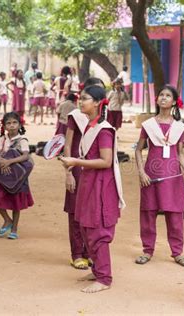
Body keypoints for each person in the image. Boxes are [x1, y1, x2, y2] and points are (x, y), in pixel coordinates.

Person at [60, 85, 125, 293]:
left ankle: (104, 278)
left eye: (86, 99)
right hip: (89, 183)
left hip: (100, 185)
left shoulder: (104, 130)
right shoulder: (89, 125)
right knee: (86, 227)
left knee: (97, 230)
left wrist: (75, 161)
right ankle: (97, 270)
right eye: (80, 98)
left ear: (98, 103)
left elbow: (106, 161)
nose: (81, 102)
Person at [135, 85, 184, 266]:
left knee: (174, 214)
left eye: (168, 96)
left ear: (174, 102)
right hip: (151, 175)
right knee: (148, 212)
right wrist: (141, 172)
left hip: (173, 177)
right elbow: (138, 150)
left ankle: (177, 252)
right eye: (161, 95)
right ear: (157, 99)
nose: (163, 98)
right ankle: (147, 250)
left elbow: (180, 153)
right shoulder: (148, 125)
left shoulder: (179, 127)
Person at [59, 79, 103, 271]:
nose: (83, 100)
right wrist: (68, 173)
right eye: (83, 96)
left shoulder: (102, 119)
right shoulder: (75, 116)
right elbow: (68, 144)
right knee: (75, 211)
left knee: (92, 211)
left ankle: (90, 252)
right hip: (76, 167)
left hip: (94, 168)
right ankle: (77, 254)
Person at [0, 112, 34, 239]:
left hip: (17, 177)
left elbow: (25, 155)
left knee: (15, 203)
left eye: (14, 122)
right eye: (8, 123)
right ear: (4, 126)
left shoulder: (23, 140)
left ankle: (14, 229)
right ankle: (7, 220)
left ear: (19, 124)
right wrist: (1, 162)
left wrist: (9, 162)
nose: (12, 125)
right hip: (3, 176)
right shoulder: (3, 139)